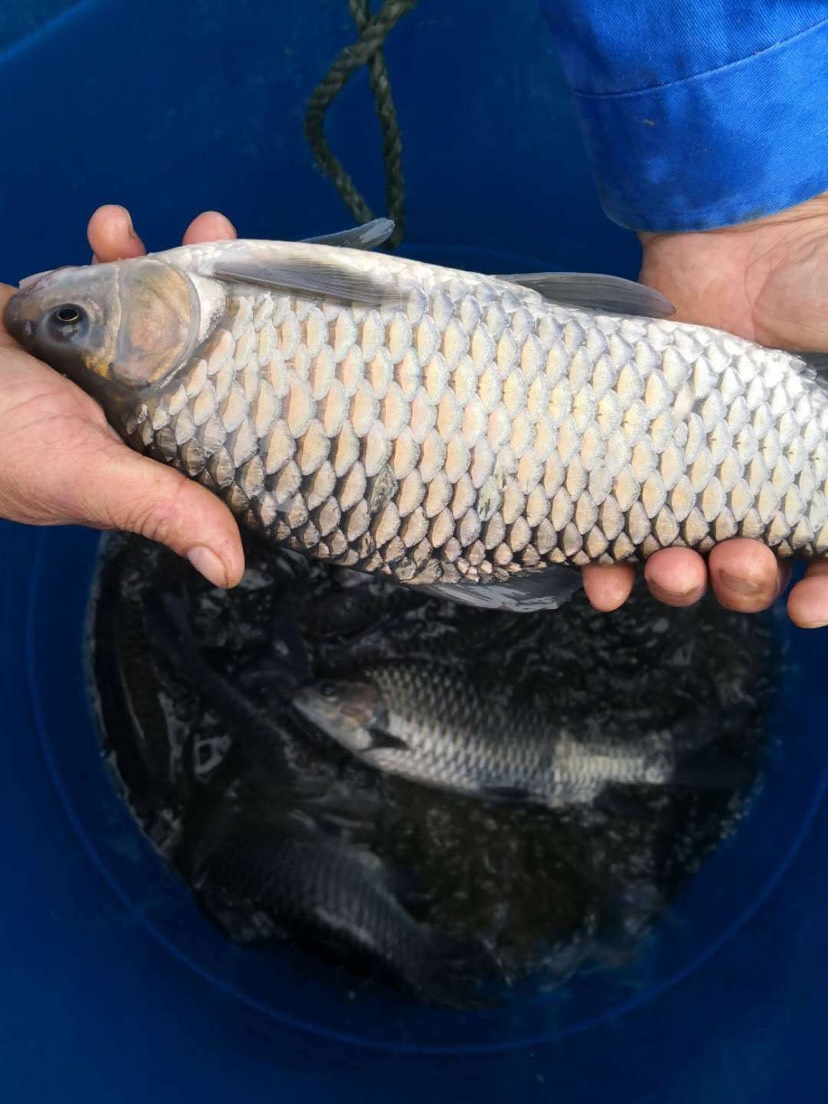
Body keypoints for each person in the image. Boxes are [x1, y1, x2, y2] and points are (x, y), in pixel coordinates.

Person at [0, 4, 826, 627]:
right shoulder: (225, 309)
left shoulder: (214, 347)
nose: (46, 296)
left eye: (66, 318)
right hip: (631, 413)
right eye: (70, 322)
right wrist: (763, 190)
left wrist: (765, 211)